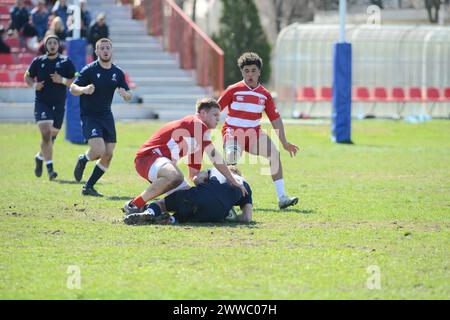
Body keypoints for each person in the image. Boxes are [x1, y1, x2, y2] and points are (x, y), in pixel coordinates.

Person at [122, 98, 248, 215]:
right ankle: (134, 205)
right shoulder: (197, 123)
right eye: (215, 115)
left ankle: (149, 210)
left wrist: (213, 188)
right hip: (148, 158)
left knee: (187, 199)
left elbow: (194, 175)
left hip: (161, 165)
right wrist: (232, 179)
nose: (218, 119)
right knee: (175, 176)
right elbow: (214, 156)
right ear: (203, 113)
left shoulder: (198, 139)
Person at [218, 52, 300, 210]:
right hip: (233, 133)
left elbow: (275, 119)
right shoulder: (233, 90)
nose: (250, 74)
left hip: (254, 134)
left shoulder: (265, 95)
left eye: (253, 70)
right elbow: (215, 110)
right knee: (232, 159)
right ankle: (225, 202)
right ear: (242, 72)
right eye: (246, 70)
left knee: (274, 154)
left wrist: (284, 142)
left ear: (259, 72)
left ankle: (282, 197)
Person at [70, 38, 132, 196]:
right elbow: (73, 88)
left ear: (111, 51)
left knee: (109, 154)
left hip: (106, 116)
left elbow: (128, 94)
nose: (105, 50)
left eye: (108, 48)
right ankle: (83, 159)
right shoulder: (89, 69)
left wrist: (126, 95)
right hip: (90, 115)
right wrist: (84, 89)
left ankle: (88, 187)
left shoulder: (117, 73)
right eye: (102, 48)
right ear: (96, 52)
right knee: (98, 150)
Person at [124, 166, 253, 225]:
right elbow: (247, 217)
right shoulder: (246, 186)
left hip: (201, 195)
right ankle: (171, 220)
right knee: (188, 216)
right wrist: (233, 217)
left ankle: (150, 212)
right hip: (217, 214)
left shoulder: (217, 170)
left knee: (163, 204)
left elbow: (197, 178)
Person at [24, 34, 76, 180]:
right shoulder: (38, 61)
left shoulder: (66, 62)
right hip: (42, 103)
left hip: (59, 104)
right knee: (46, 134)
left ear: (58, 45)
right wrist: (34, 85)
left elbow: (75, 79)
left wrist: (62, 80)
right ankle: (50, 169)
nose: (52, 45)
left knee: (51, 139)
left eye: (54, 43)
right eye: (49, 43)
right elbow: (27, 76)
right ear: (45, 46)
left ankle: (39, 158)